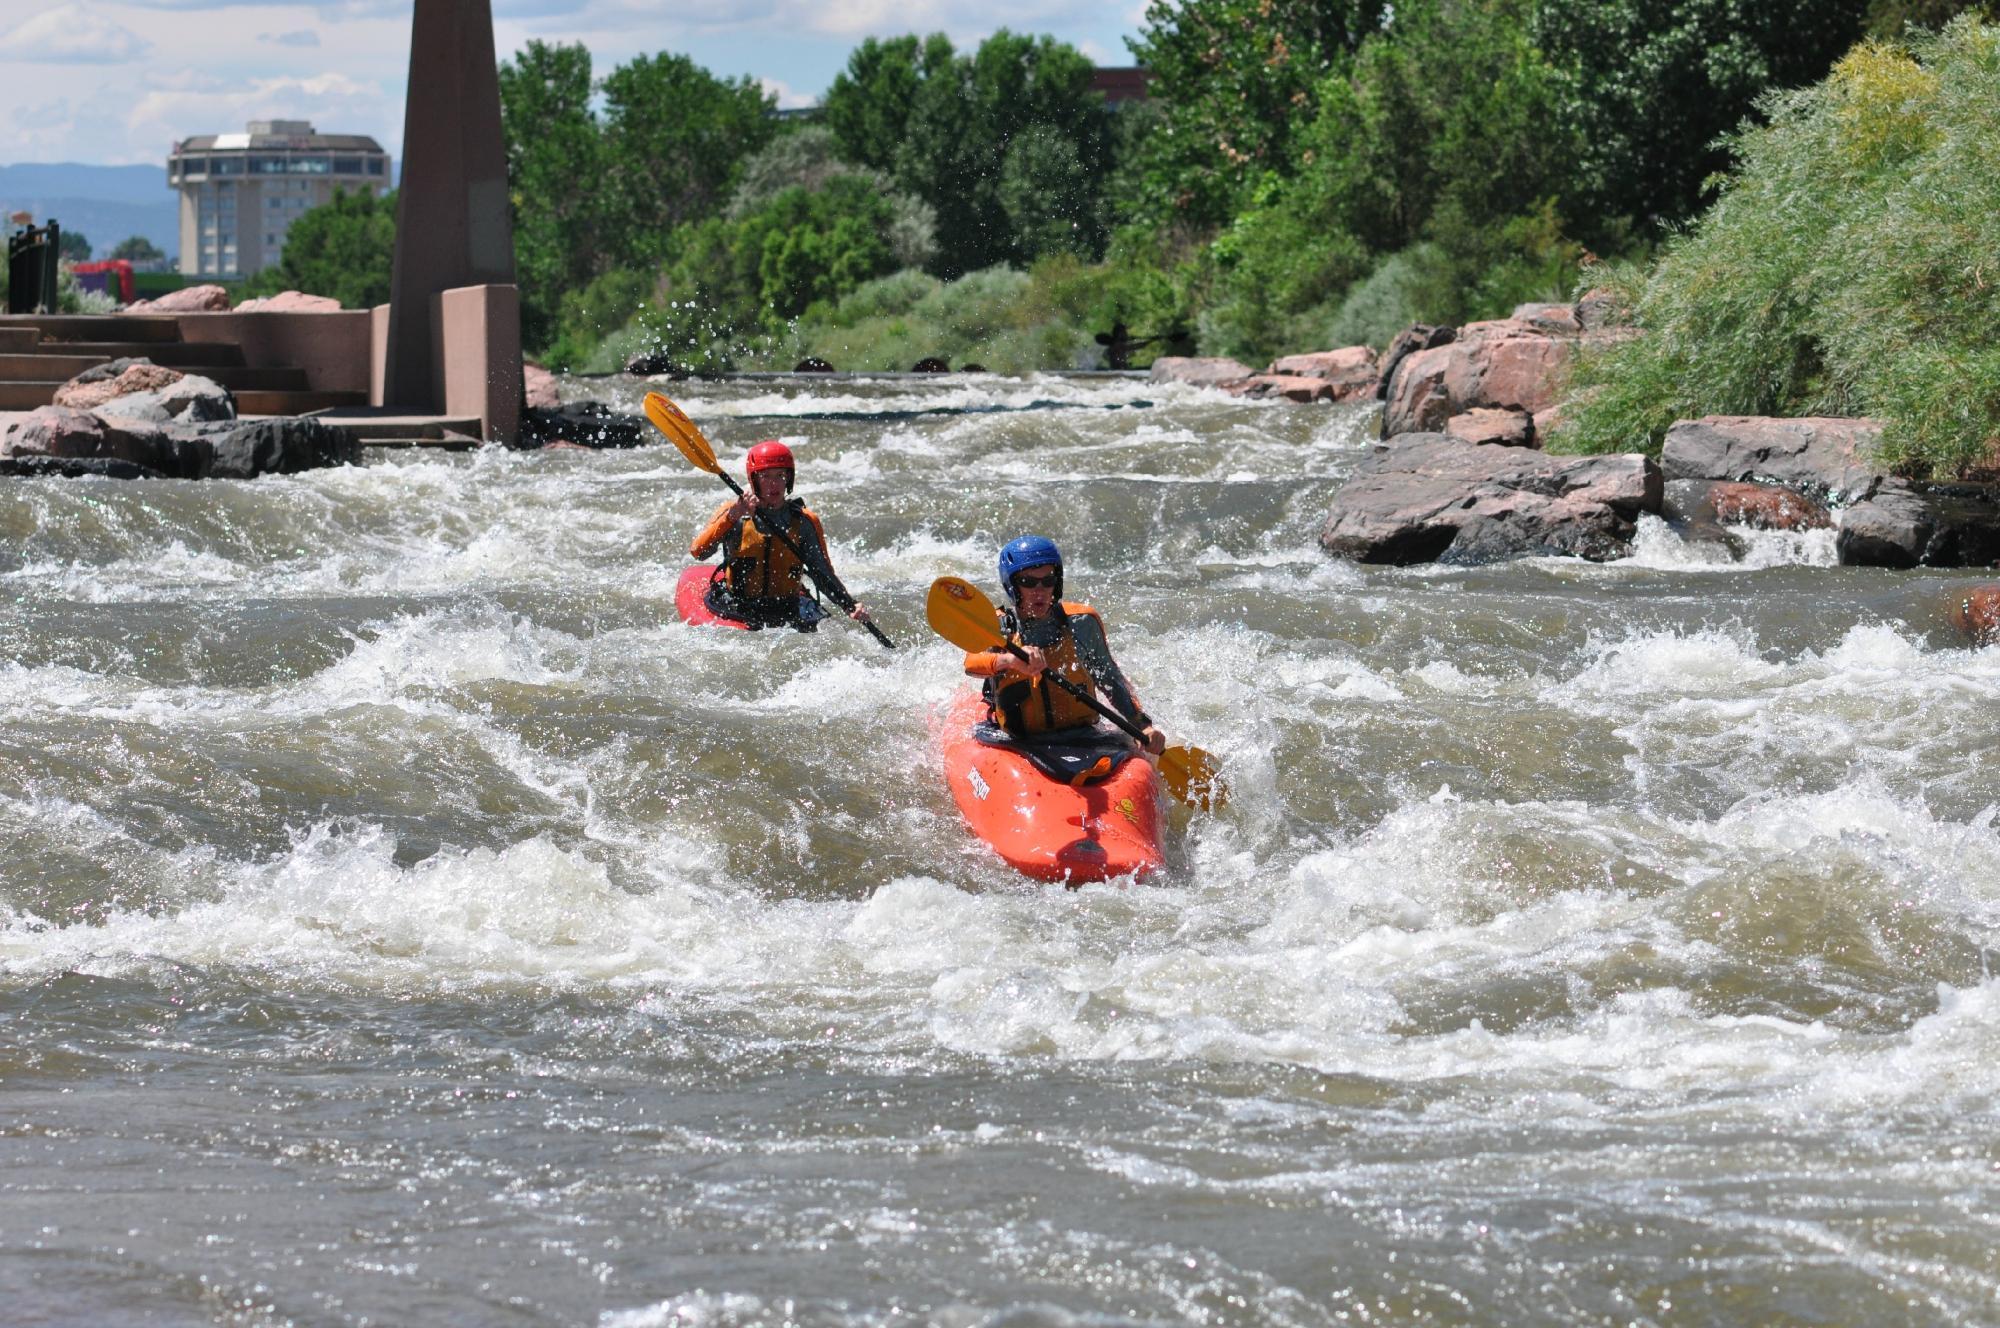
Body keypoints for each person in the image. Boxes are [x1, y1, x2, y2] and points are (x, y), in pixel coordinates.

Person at [962, 536, 1166, 771]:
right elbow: (971, 663)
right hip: (1020, 740)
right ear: (1013, 585)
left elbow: (1109, 677)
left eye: (1047, 581)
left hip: (1084, 736)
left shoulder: (1081, 622)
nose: (1039, 591)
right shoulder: (998, 627)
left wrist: (1142, 725)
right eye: (1028, 582)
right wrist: (1009, 660)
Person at [688, 440, 873, 631]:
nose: (774, 484)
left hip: (787, 607)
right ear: (754, 479)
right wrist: (733, 515)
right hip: (739, 606)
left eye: (780, 475)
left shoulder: (804, 522)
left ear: (789, 478)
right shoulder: (733, 513)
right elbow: (699, 552)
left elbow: (822, 573)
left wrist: (849, 604)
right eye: (765, 476)